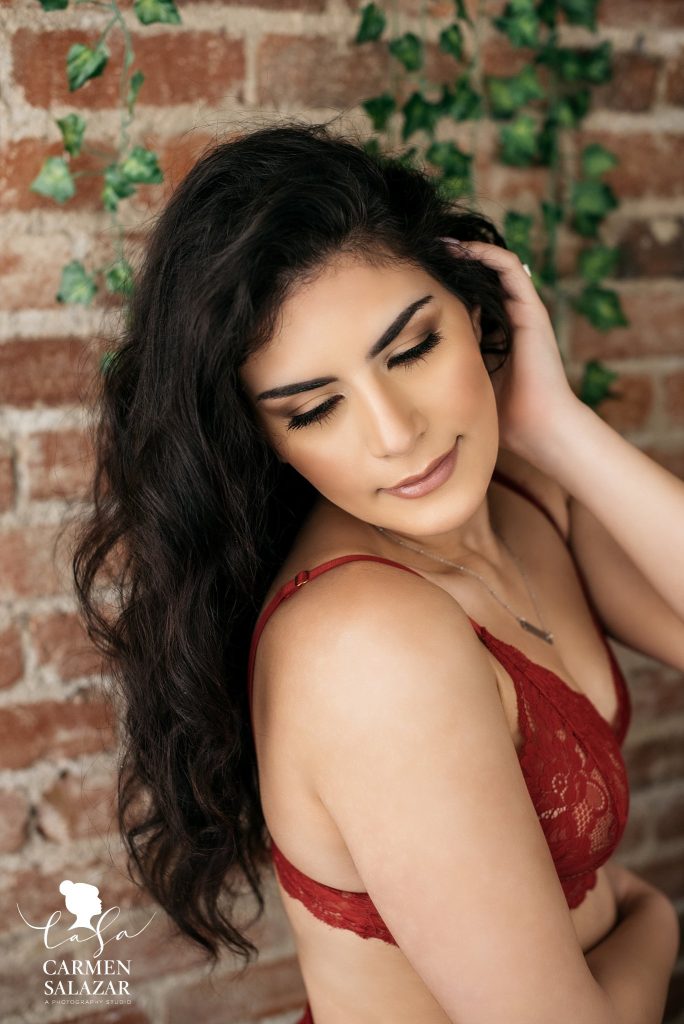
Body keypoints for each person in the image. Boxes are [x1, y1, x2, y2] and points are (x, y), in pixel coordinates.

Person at [71, 118, 682, 1024]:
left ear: (480, 314)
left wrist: (557, 424)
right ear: (268, 441)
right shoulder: (367, 647)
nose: (396, 436)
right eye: (315, 409)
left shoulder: (527, 496)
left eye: (413, 350)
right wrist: (656, 920)